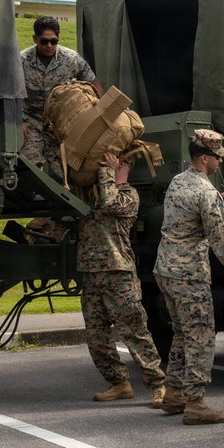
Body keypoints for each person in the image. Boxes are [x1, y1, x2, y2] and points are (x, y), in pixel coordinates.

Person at [153, 130, 224, 424]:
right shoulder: (206, 193)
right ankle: (196, 403)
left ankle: (174, 392)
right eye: (218, 157)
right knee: (200, 337)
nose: (220, 162)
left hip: (166, 271)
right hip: (189, 275)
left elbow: (190, 214)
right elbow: (221, 242)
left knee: (181, 333)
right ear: (204, 158)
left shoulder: (179, 181)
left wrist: (222, 198)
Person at [77, 151, 166, 408]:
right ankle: (119, 384)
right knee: (96, 336)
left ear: (125, 166)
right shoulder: (94, 195)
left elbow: (109, 203)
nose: (110, 167)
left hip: (119, 273)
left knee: (134, 331)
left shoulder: (128, 196)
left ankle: (158, 385)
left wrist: (110, 173)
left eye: (118, 163)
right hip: (91, 273)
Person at [19, 15, 104, 180]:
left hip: (59, 125)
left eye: (54, 41)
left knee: (62, 173)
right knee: (28, 166)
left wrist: (101, 115)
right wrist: (17, 121)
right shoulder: (21, 61)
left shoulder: (72, 60)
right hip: (31, 123)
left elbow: (95, 86)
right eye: (44, 41)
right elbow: (9, 93)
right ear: (35, 39)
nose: (49, 45)